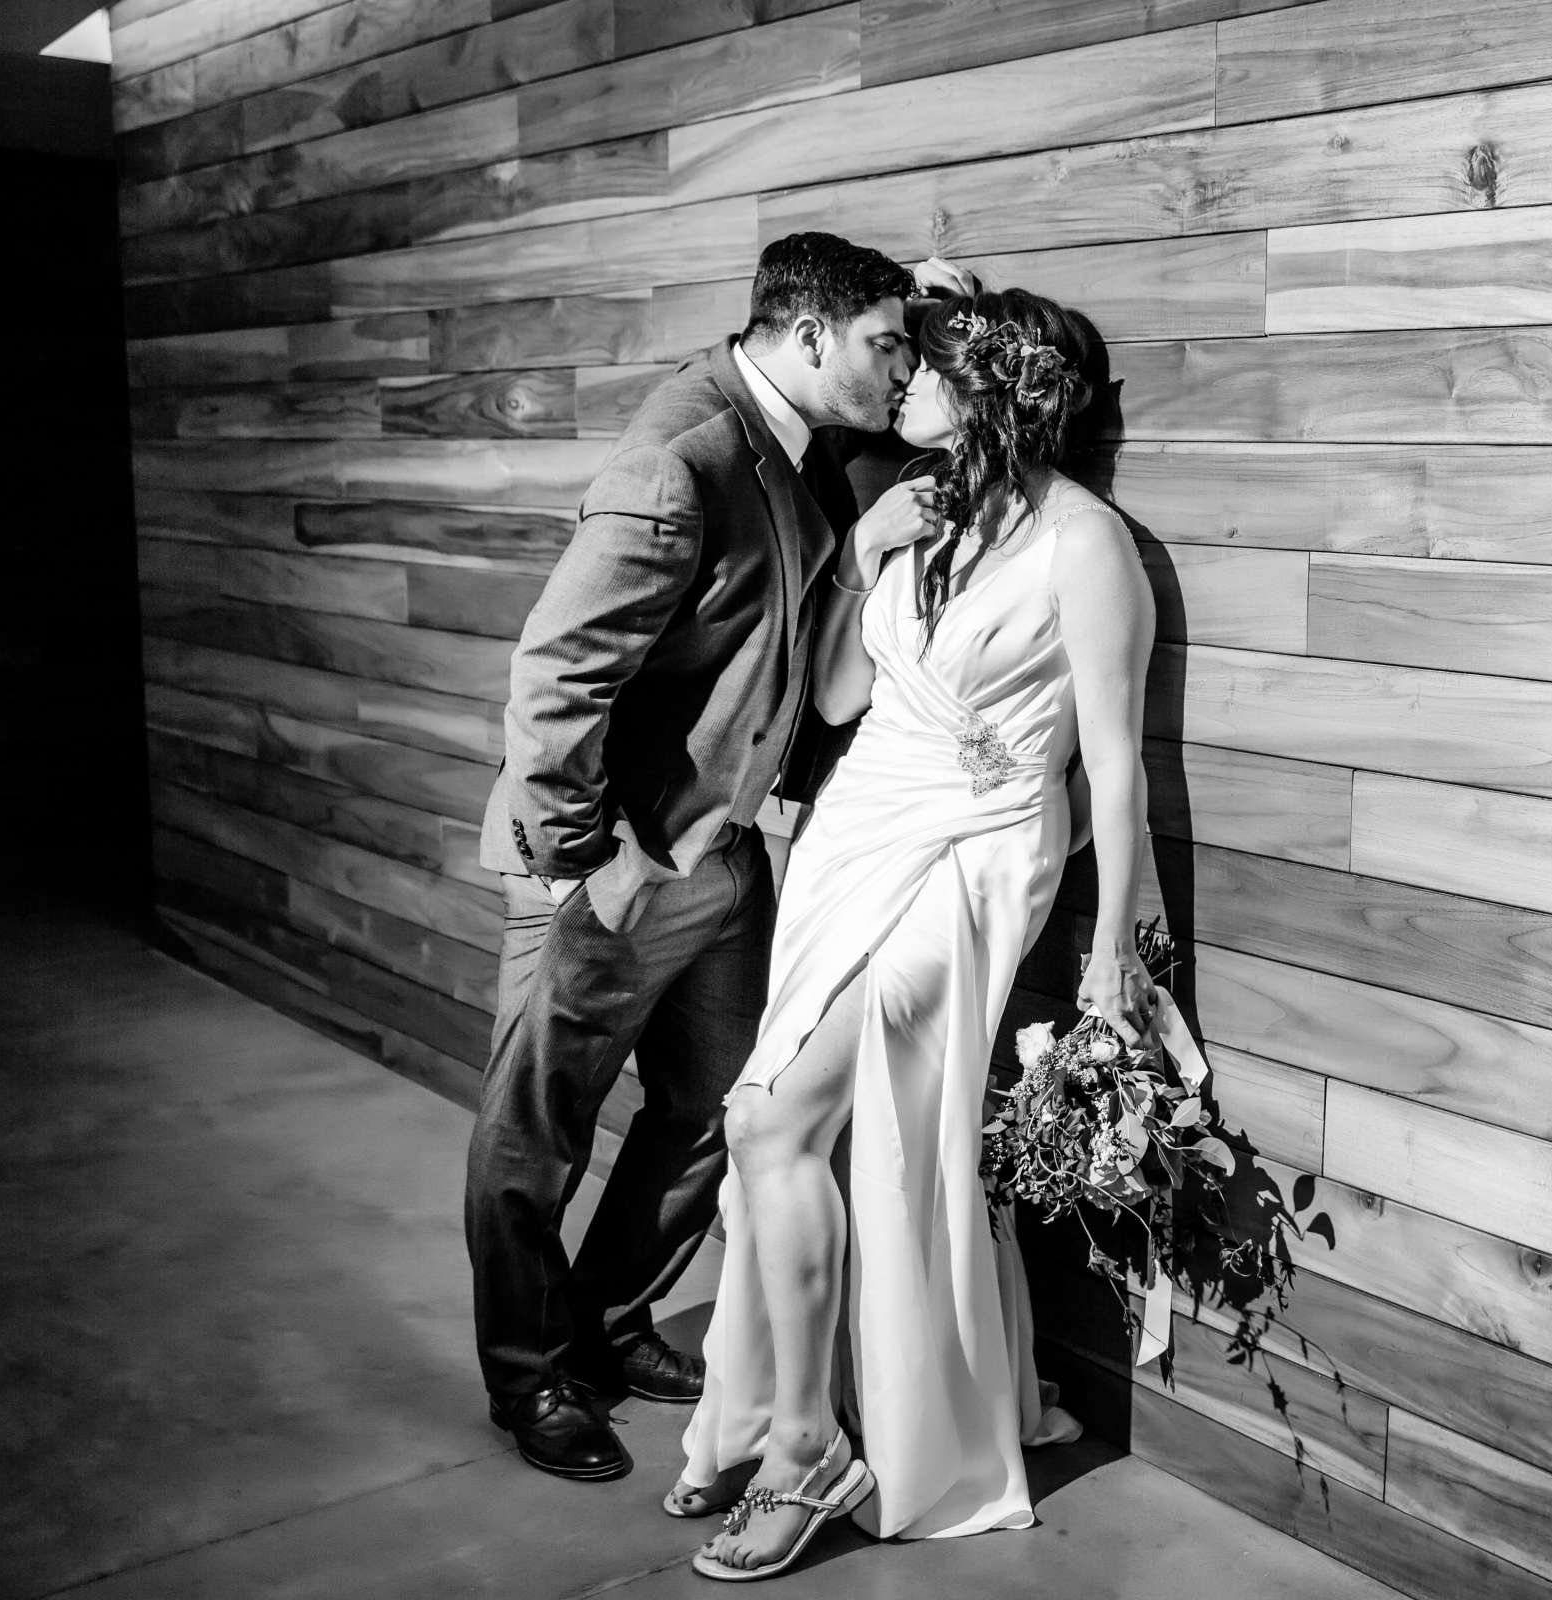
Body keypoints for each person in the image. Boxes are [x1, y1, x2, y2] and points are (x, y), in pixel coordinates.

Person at [464, 232, 968, 1482]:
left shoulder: (805, 438)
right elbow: (556, 674)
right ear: (809, 341)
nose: (900, 367)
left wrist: (943, 316)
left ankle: (607, 1323)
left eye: (909, 346)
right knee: (538, 1135)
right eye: (883, 343)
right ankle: (529, 1380)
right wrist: (592, 863)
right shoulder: (680, 458)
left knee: (714, 1113)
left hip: (726, 858)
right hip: (616, 866)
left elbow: (903, 453)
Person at [670, 287, 1156, 1580]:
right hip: (858, 832)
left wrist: (1113, 952)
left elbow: (1113, 770)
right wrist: (864, 552)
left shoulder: (1085, 542)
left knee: (772, 1120)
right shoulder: (921, 513)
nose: (897, 385)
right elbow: (839, 690)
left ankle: (799, 1451)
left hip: (978, 852)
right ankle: (818, 1417)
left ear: (989, 388)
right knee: (804, 1129)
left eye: (923, 365)